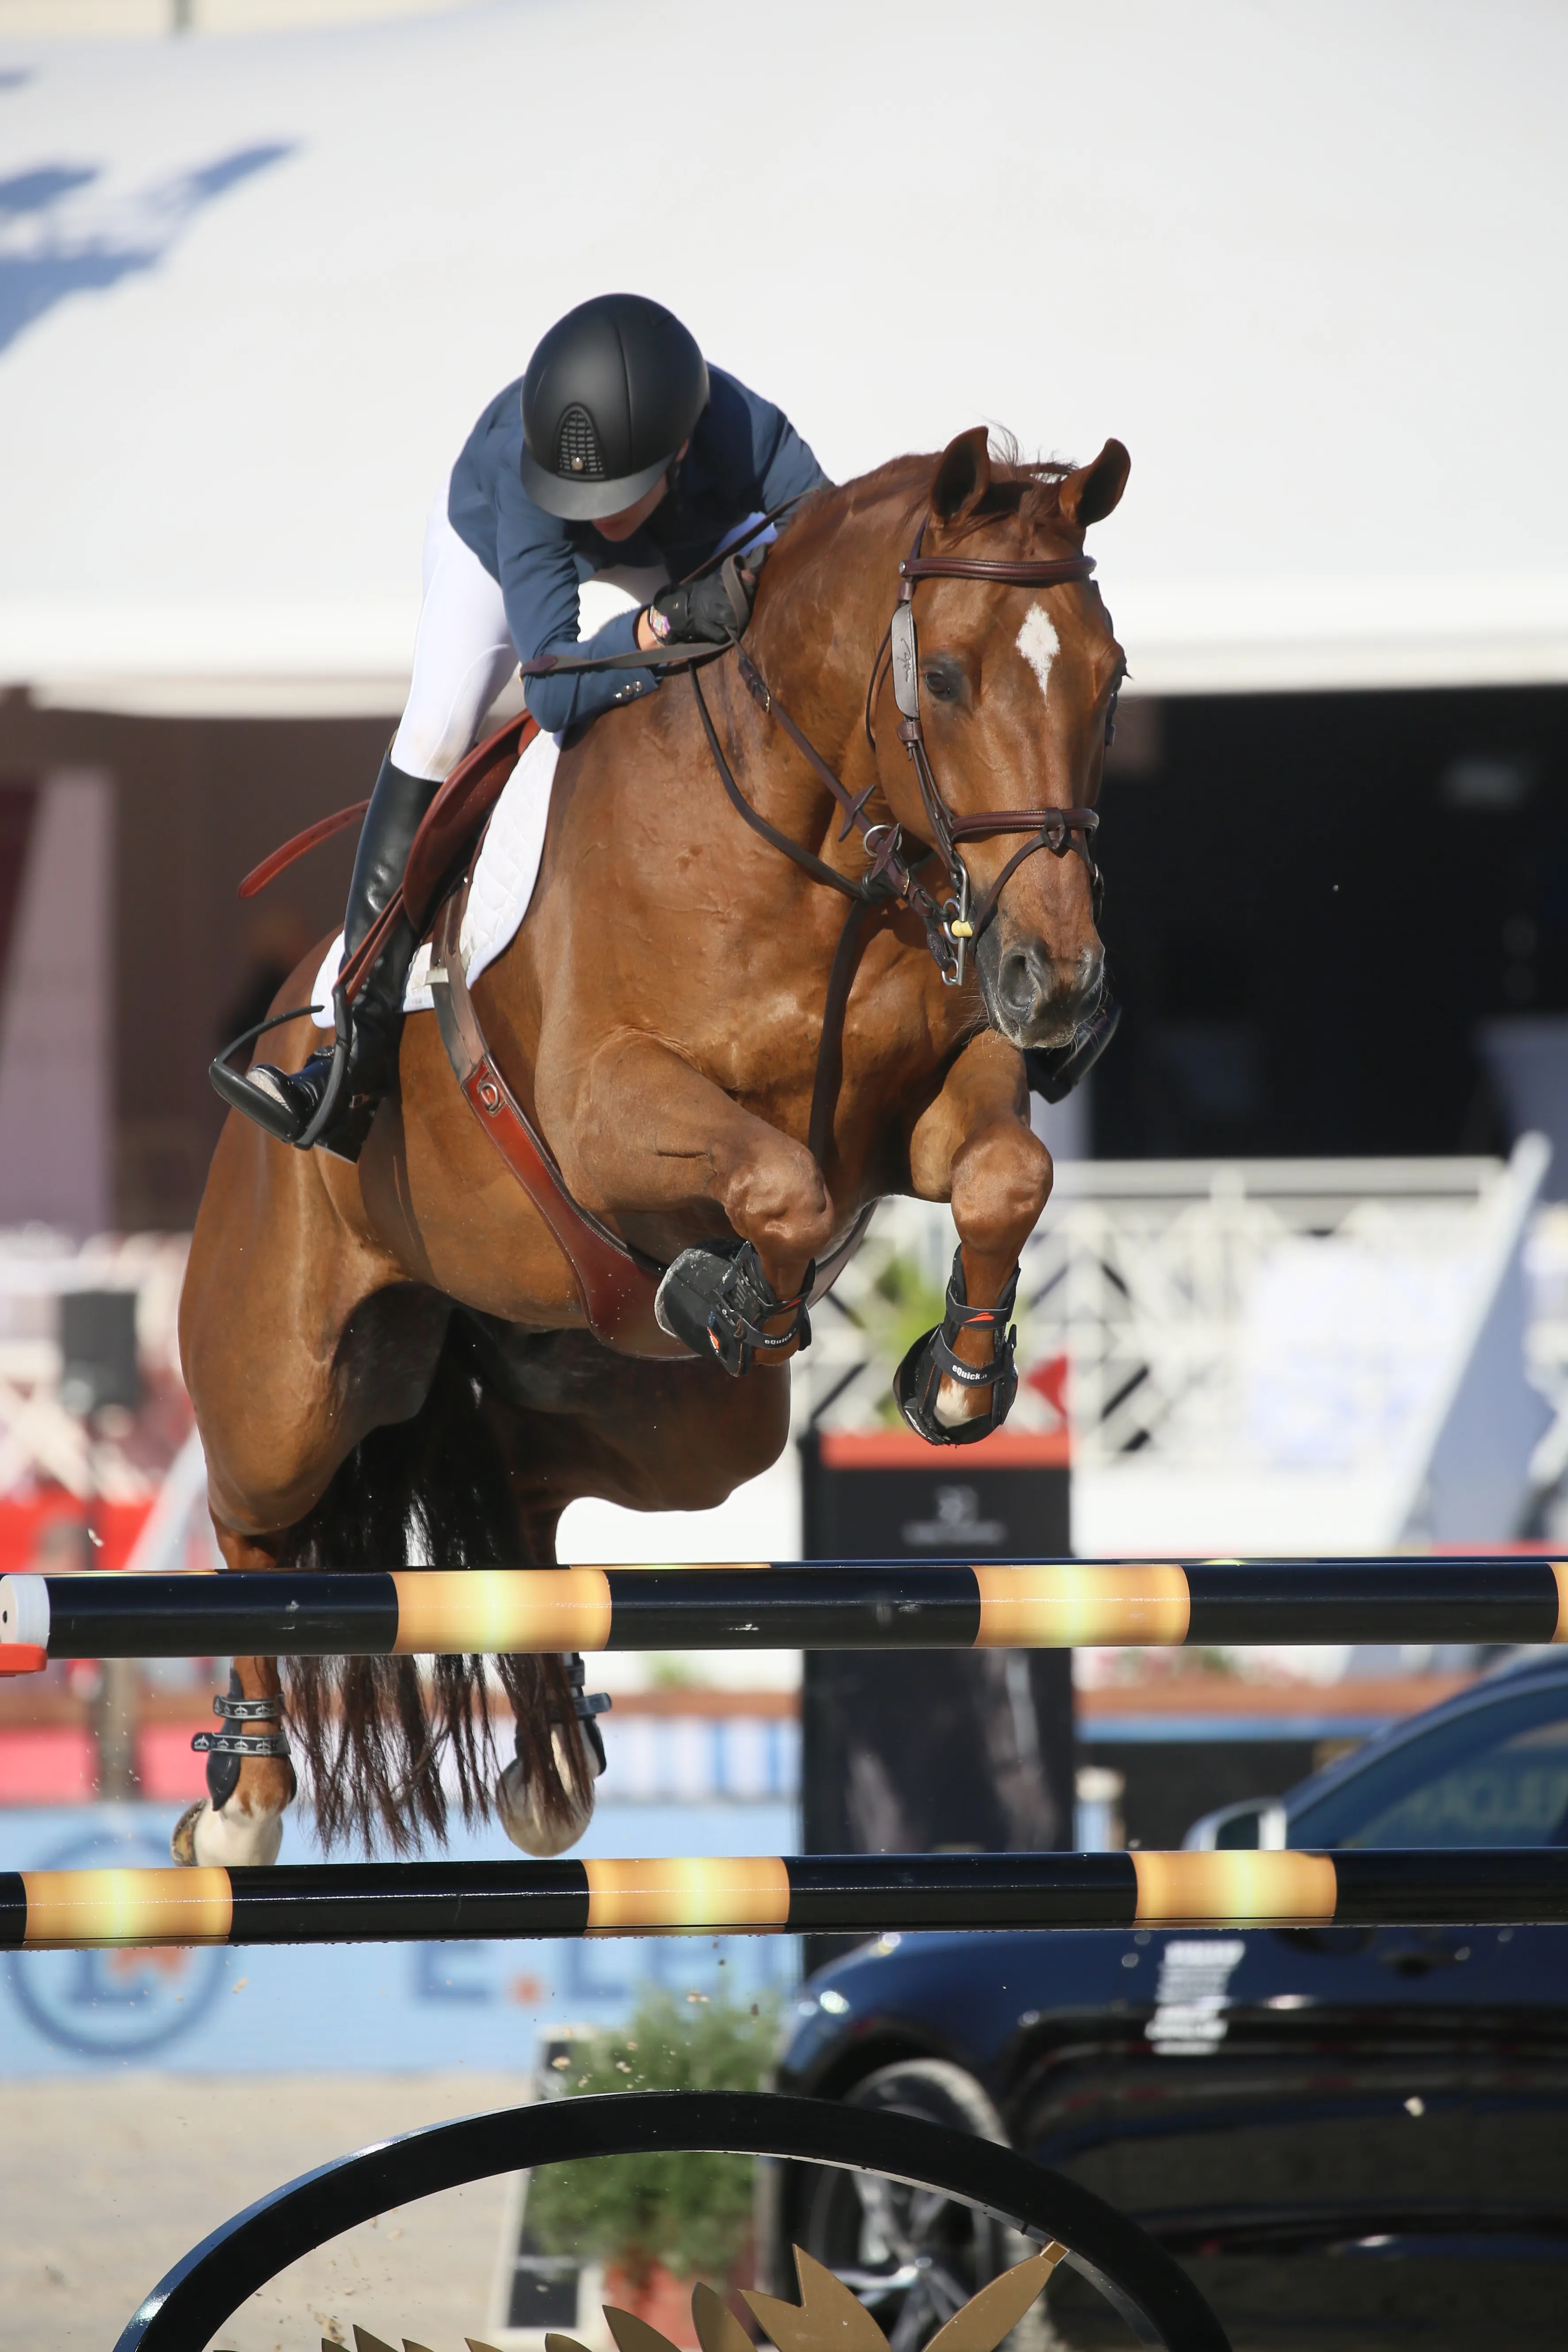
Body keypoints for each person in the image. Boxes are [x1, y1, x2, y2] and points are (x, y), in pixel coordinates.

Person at [221, 291, 827, 1160]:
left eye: (614, 492)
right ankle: (349, 1046)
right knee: (436, 726)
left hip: (673, 555)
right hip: (493, 548)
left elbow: (831, 550)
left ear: (682, 446)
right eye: (580, 492)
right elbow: (549, 684)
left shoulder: (750, 433)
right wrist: (659, 628)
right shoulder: (525, 471)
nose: (593, 510)